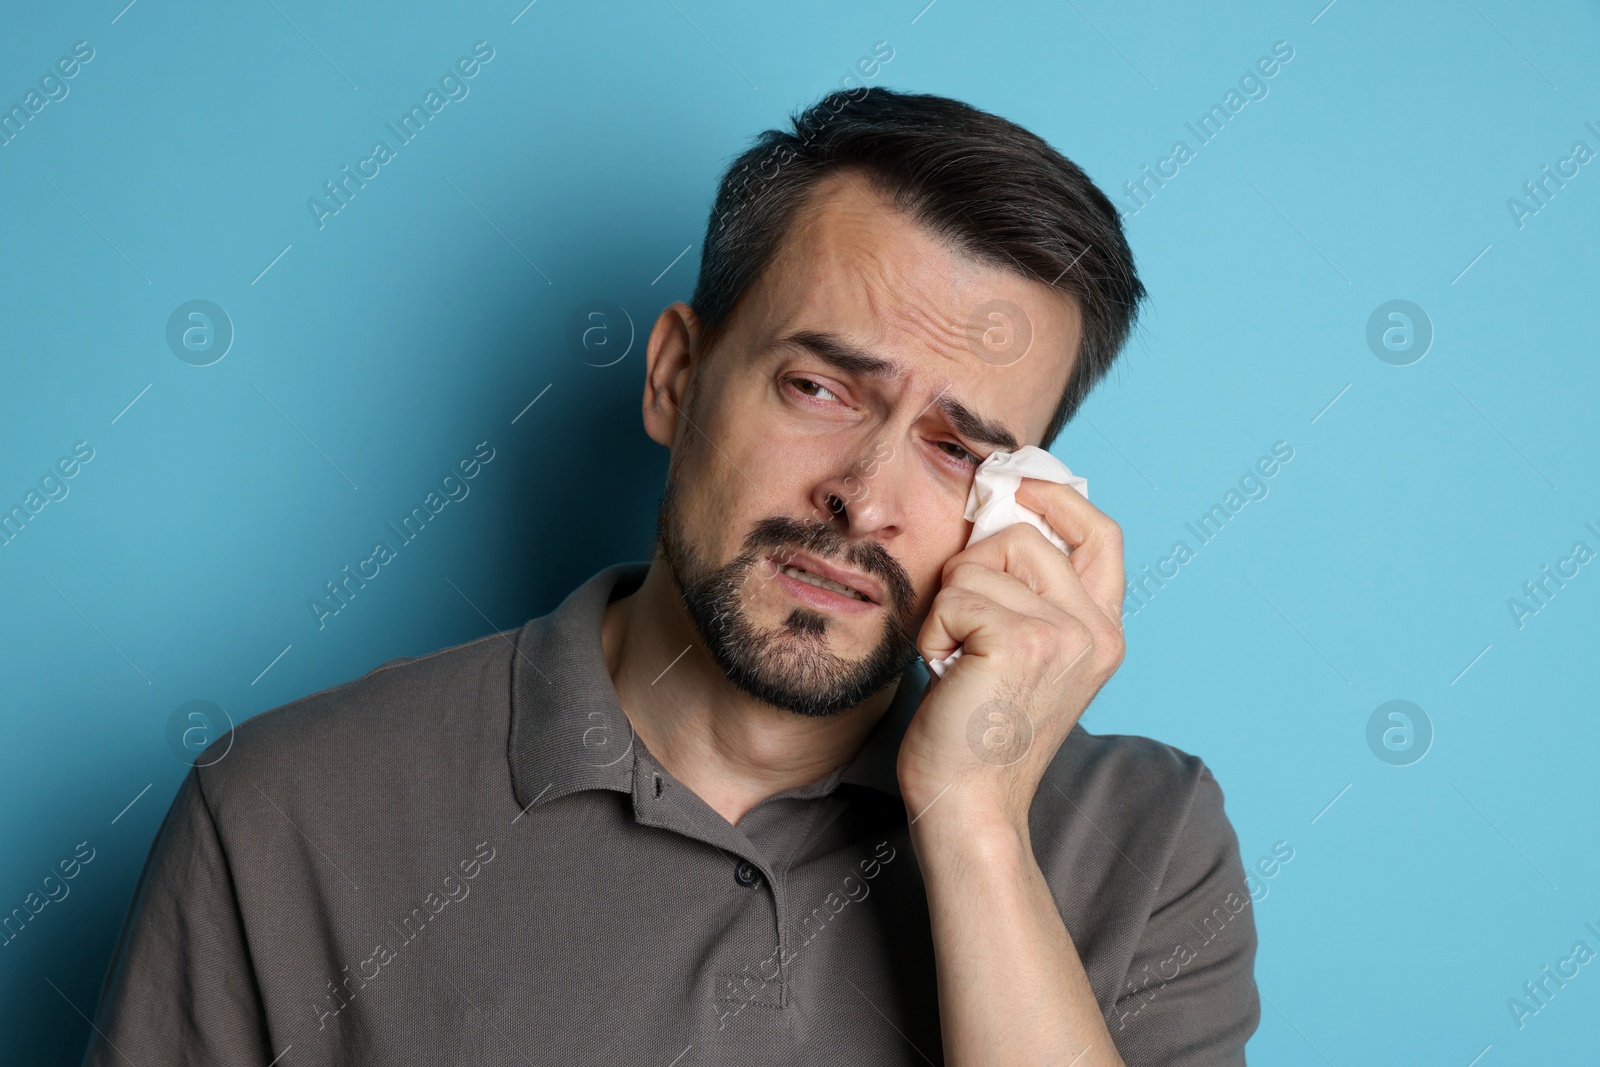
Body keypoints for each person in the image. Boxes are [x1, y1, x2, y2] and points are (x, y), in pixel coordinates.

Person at [81, 86, 1257, 1066]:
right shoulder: (286, 810)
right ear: (675, 378)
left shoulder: (1146, 843)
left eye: (960, 449)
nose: (866, 495)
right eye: (820, 387)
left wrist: (978, 822)